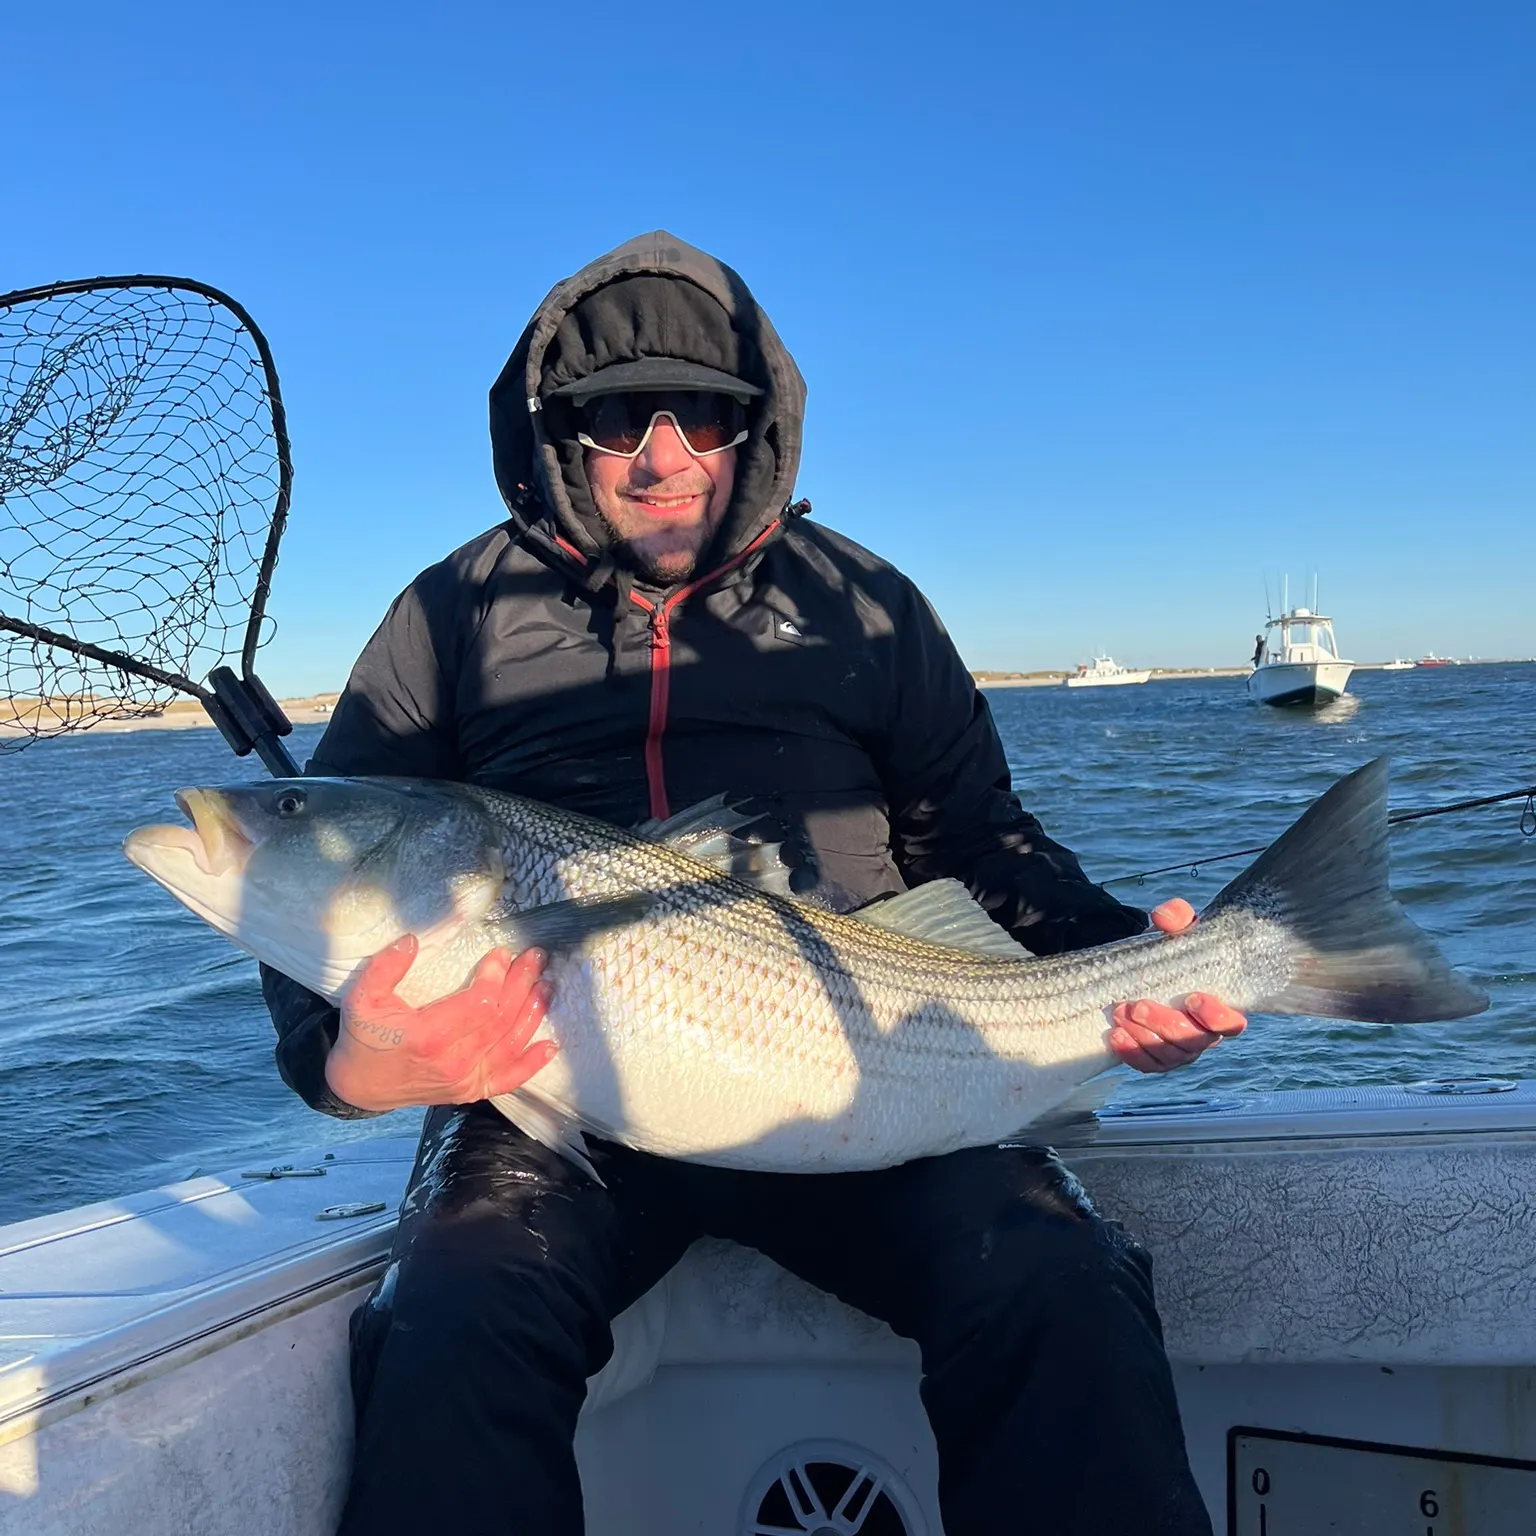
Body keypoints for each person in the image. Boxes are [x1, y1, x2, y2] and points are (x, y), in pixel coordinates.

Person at [262, 231, 1248, 1536]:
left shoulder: (867, 605)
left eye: (706, 416)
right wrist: (349, 1067)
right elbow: (334, 861)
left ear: (759, 426)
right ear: (557, 433)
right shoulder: (451, 615)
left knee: (1058, 1282)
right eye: (617, 416)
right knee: (452, 1312)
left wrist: (1131, 959)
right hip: (553, 1098)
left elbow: (987, 850)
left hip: (867, 1066)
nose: (662, 456)